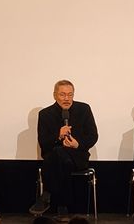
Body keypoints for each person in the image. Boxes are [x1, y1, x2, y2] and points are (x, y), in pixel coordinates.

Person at [32, 80, 98, 221]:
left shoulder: (84, 109)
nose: (66, 98)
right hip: (56, 159)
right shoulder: (45, 114)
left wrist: (77, 144)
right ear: (55, 95)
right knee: (60, 155)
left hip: (78, 157)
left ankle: (48, 193)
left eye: (70, 95)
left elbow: (93, 136)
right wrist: (58, 135)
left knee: (59, 154)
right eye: (62, 95)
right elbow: (43, 142)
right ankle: (63, 208)